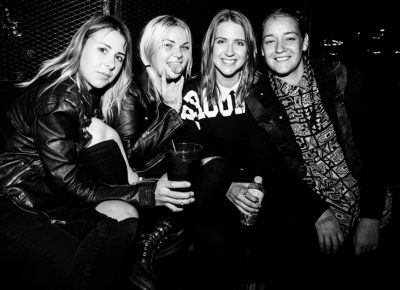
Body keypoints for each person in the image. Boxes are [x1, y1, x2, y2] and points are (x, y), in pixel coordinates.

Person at [0, 14, 190, 290]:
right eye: (103, 50)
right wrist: (148, 192)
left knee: (123, 216)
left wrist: (137, 185)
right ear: (80, 47)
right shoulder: (60, 99)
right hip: (14, 204)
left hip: (45, 201)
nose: (111, 64)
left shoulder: (83, 95)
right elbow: (68, 183)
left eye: (119, 56)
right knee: (80, 268)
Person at [180, 9, 332, 289]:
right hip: (216, 191)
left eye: (238, 43)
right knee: (214, 244)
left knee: (289, 236)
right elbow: (191, 153)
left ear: (249, 49)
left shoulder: (261, 88)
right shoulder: (193, 92)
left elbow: (273, 155)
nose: (229, 51)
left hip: (265, 188)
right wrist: (227, 185)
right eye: (221, 41)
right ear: (209, 45)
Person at [246, 7, 393, 289]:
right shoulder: (257, 102)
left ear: (303, 42)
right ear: (261, 50)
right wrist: (318, 213)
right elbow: (273, 171)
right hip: (313, 216)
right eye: (269, 41)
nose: (279, 49)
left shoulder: (338, 78)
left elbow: (374, 148)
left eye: (289, 38)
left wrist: (370, 216)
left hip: (370, 203)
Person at [108, 15, 195, 290]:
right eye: (168, 45)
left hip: (167, 179)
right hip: (138, 183)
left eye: (185, 47)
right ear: (149, 50)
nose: (178, 55)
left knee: (217, 164)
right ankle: (150, 238)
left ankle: (160, 231)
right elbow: (130, 155)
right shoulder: (131, 91)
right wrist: (170, 111)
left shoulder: (184, 85)